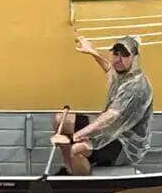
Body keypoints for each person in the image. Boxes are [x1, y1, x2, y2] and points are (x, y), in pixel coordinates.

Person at [53, 35, 154, 175]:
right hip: (111, 130)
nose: (118, 59)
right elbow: (109, 69)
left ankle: (83, 183)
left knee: (76, 149)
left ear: (134, 58)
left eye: (125, 55)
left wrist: (77, 135)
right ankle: (71, 169)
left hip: (125, 144)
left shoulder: (137, 87)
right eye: (116, 54)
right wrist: (92, 51)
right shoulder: (123, 73)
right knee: (62, 120)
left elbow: (111, 116)